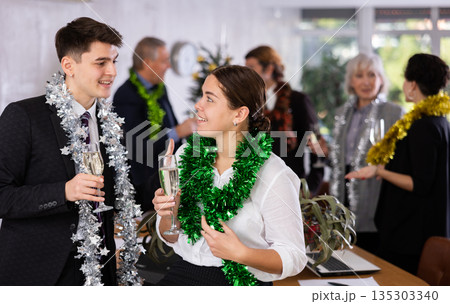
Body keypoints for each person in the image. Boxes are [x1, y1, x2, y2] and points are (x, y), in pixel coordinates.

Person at [152, 65, 307, 285]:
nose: (198, 105)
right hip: (183, 272)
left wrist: (241, 253)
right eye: (201, 96)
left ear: (240, 114)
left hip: (242, 282)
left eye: (210, 99)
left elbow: (294, 256)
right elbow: (170, 237)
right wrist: (169, 213)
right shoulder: (186, 154)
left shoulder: (273, 173)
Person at [0, 17, 123, 285]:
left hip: (102, 269)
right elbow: (2, 196)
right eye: (101, 63)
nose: (112, 72)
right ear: (69, 65)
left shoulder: (111, 123)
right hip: (40, 272)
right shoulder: (23, 116)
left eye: (114, 61)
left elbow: (122, 189)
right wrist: (64, 192)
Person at [346, 53, 450, 274]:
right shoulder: (438, 121)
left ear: (412, 85)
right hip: (419, 228)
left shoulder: (424, 126)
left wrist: (379, 171)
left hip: (411, 234)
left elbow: (419, 183)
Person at [329, 53, 404, 254]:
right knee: (343, 251)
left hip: (376, 189)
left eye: (372, 75)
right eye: (359, 75)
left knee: (371, 252)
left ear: (381, 79)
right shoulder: (341, 112)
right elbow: (338, 155)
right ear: (351, 81)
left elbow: (403, 156)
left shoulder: (394, 112)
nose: (366, 81)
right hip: (342, 188)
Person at [113, 37, 196, 211]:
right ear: (148, 62)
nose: (169, 66)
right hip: (145, 182)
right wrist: (179, 132)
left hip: (168, 173)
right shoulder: (126, 94)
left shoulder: (160, 88)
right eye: (164, 61)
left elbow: (170, 124)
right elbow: (136, 145)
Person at [245, 46, 324, 194]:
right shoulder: (248, 103)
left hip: (291, 186)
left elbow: (316, 146)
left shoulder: (298, 100)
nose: (246, 74)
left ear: (268, 69)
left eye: (251, 67)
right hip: (255, 187)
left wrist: (310, 188)